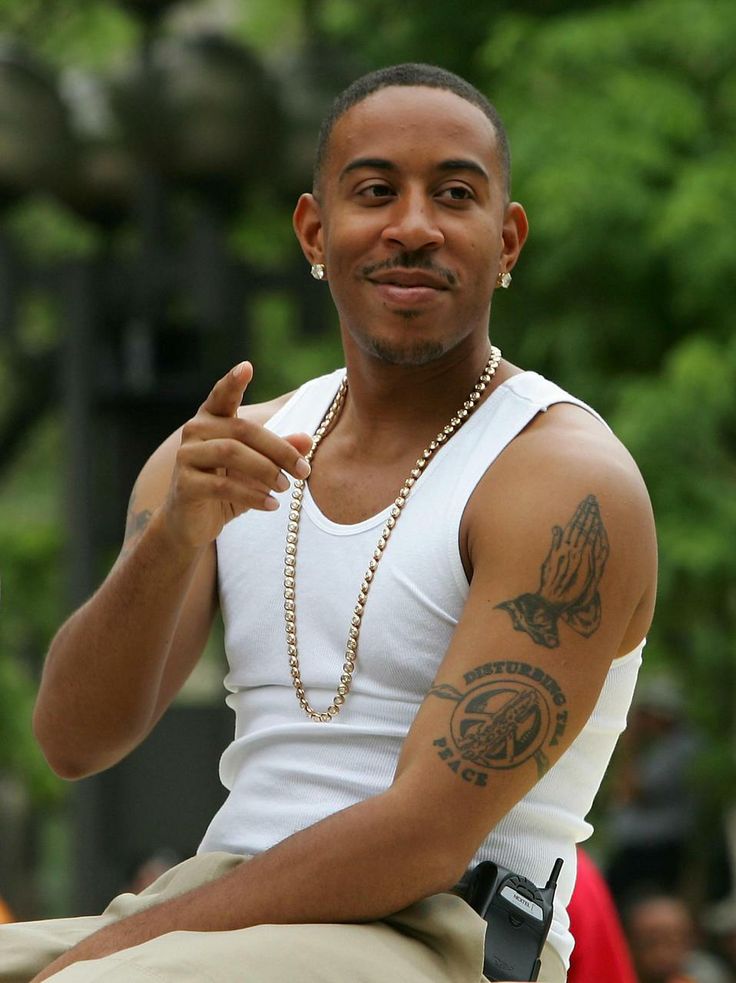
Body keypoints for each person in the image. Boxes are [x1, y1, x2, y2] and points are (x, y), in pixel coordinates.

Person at [0, 62, 657, 983]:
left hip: (440, 928)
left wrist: (117, 948)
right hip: (219, 903)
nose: (414, 226)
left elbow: (424, 840)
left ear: (507, 241)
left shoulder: (560, 479)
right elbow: (73, 740)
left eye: (455, 194)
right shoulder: (229, 451)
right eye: (376, 191)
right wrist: (174, 537)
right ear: (315, 230)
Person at [624, 893, 733, 983]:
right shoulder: (620, 976)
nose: (662, 953)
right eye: (650, 943)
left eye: (673, 942)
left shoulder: (704, 976)